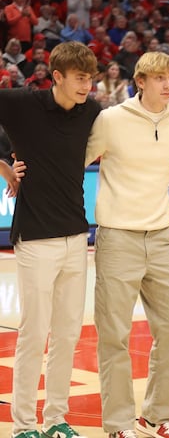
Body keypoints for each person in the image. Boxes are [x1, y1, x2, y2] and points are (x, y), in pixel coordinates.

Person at [84, 51, 169, 438]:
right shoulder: (111, 120)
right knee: (114, 335)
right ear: (140, 80)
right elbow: (74, 160)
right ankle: (116, 424)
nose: (167, 85)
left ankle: (156, 415)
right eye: (159, 78)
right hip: (117, 237)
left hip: (162, 238)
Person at [0, 41, 100, 438]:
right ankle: (24, 424)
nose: (86, 86)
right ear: (56, 76)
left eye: (90, 78)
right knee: (34, 332)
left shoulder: (92, 110)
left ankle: (56, 418)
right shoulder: (22, 103)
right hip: (35, 238)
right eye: (79, 78)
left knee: (67, 334)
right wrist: (4, 166)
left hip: (77, 236)